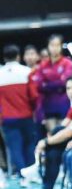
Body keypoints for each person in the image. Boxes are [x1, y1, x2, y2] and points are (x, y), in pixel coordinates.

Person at [0, 44, 37, 182]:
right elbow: (34, 96)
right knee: (29, 145)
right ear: (18, 56)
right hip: (26, 116)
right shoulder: (27, 72)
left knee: (15, 147)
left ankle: (22, 175)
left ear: (4, 58)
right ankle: (31, 174)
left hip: (7, 118)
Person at [33, 34, 72, 132]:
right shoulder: (43, 65)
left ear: (61, 46)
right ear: (48, 46)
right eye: (52, 45)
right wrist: (57, 84)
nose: (54, 48)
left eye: (57, 45)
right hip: (48, 106)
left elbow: (65, 82)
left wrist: (47, 85)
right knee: (52, 135)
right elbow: (38, 85)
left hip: (64, 104)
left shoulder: (67, 63)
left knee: (62, 134)